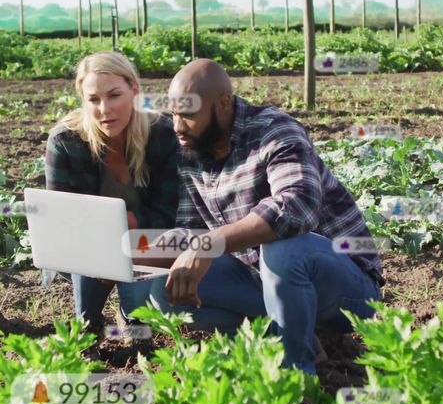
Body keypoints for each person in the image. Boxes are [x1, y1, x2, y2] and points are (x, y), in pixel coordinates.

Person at [149, 59, 385, 374]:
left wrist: (211, 242)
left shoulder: (273, 129)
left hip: (346, 289)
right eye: (174, 114)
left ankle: (296, 377)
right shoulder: (189, 150)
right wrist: (151, 249)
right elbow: (191, 230)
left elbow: (297, 206)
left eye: (189, 115)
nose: (178, 126)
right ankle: (290, 336)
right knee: (165, 292)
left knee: (284, 248)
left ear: (223, 104)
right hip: (264, 282)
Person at [44, 51, 180, 334]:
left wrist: (114, 229)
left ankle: (133, 318)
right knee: (89, 251)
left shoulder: (163, 134)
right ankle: (87, 327)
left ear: (134, 90)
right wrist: (105, 243)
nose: (104, 109)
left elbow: (167, 215)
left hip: (147, 243)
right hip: (88, 248)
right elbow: (61, 220)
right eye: (93, 99)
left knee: (138, 319)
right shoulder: (66, 141)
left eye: (114, 95)